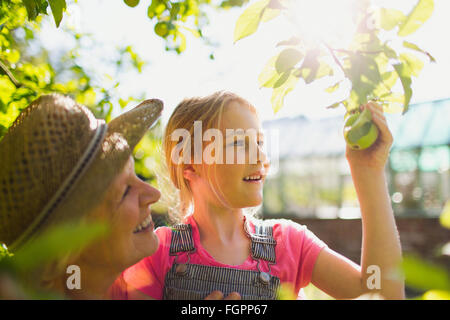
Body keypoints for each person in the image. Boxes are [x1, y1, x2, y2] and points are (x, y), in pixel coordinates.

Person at [114, 91, 405, 300]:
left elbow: (380, 292)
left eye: (260, 143)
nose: (261, 158)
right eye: (239, 143)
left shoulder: (290, 243)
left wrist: (368, 172)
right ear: (190, 164)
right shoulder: (155, 253)